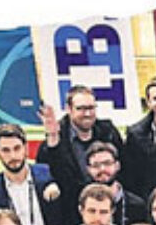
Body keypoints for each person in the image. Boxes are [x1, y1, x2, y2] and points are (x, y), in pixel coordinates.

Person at [37, 88, 126, 218]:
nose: (88, 113)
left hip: (108, 208)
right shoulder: (55, 136)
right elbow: (48, 174)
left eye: (91, 108)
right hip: (71, 211)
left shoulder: (108, 131)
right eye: (81, 109)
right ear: (68, 109)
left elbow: (125, 167)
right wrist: (53, 139)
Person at [0, 124, 62, 225]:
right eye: (6, 150)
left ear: (26, 148)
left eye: (17, 148)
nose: (13, 156)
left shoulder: (48, 174)